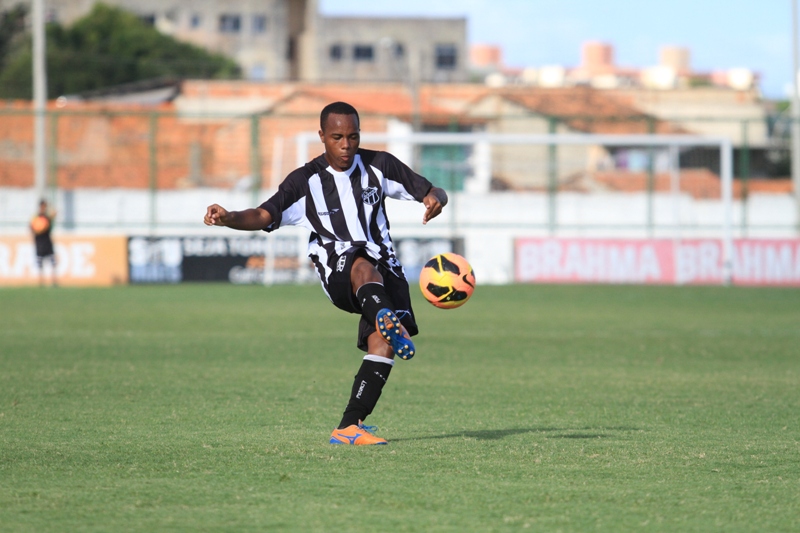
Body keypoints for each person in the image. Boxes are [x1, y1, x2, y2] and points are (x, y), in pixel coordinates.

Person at [204, 101, 448, 445]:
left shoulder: (380, 165)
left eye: (353, 136)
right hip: (339, 267)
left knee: (382, 345)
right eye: (337, 137)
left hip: (386, 266)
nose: (346, 144)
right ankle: (384, 314)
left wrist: (436, 200)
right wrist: (228, 217)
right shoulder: (304, 182)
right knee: (361, 263)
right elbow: (262, 216)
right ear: (322, 136)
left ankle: (349, 427)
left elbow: (432, 190)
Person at [30, 199, 57, 287]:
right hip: (40, 242)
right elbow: (32, 227)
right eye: (43, 206)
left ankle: (53, 280)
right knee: (40, 262)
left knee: (52, 261)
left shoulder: (47, 217)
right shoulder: (36, 217)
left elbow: (53, 216)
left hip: (47, 241)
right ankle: (41, 281)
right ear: (41, 206)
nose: (44, 208)